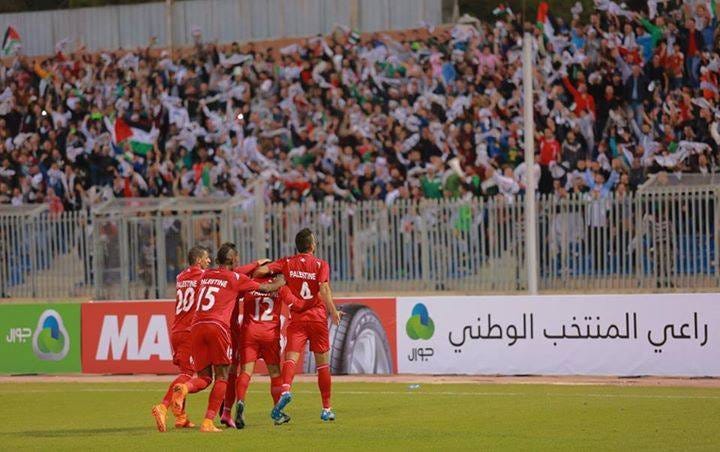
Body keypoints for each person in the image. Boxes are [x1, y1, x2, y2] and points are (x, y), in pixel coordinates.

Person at [171, 242, 285, 432]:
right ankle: (208, 422)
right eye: (237, 257)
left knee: (204, 377)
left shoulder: (205, 274)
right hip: (218, 327)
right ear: (232, 259)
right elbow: (265, 289)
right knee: (222, 377)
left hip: (196, 327)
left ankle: (184, 388)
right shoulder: (235, 278)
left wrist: (255, 264)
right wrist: (281, 282)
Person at [268, 228, 342, 423]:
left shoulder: (287, 263)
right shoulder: (321, 264)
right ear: (312, 245)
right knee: (323, 365)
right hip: (317, 318)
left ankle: (286, 390)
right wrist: (333, 311)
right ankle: (326, 409)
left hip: (298, 319)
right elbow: (324, 289)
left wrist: (258, 269)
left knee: (291, 358)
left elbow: (265, 271)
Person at [223, 272, 307, 428]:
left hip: (249, 334)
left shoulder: (249, 283)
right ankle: (278, 412)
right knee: (275, 374)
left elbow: (231, 293)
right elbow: (294, 303)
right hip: (270, 335)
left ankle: (240, 402)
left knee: (245, 372)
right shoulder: (279, 285)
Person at [151, 245, 210, 432]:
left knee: (185, 371)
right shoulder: (203, 276)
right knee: (188, 375)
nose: (209, 261)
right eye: (206, 258)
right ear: (199, 260)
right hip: (189, 330)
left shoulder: (180, 277)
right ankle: (163, 406)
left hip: (176, 329)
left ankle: (181, 418)